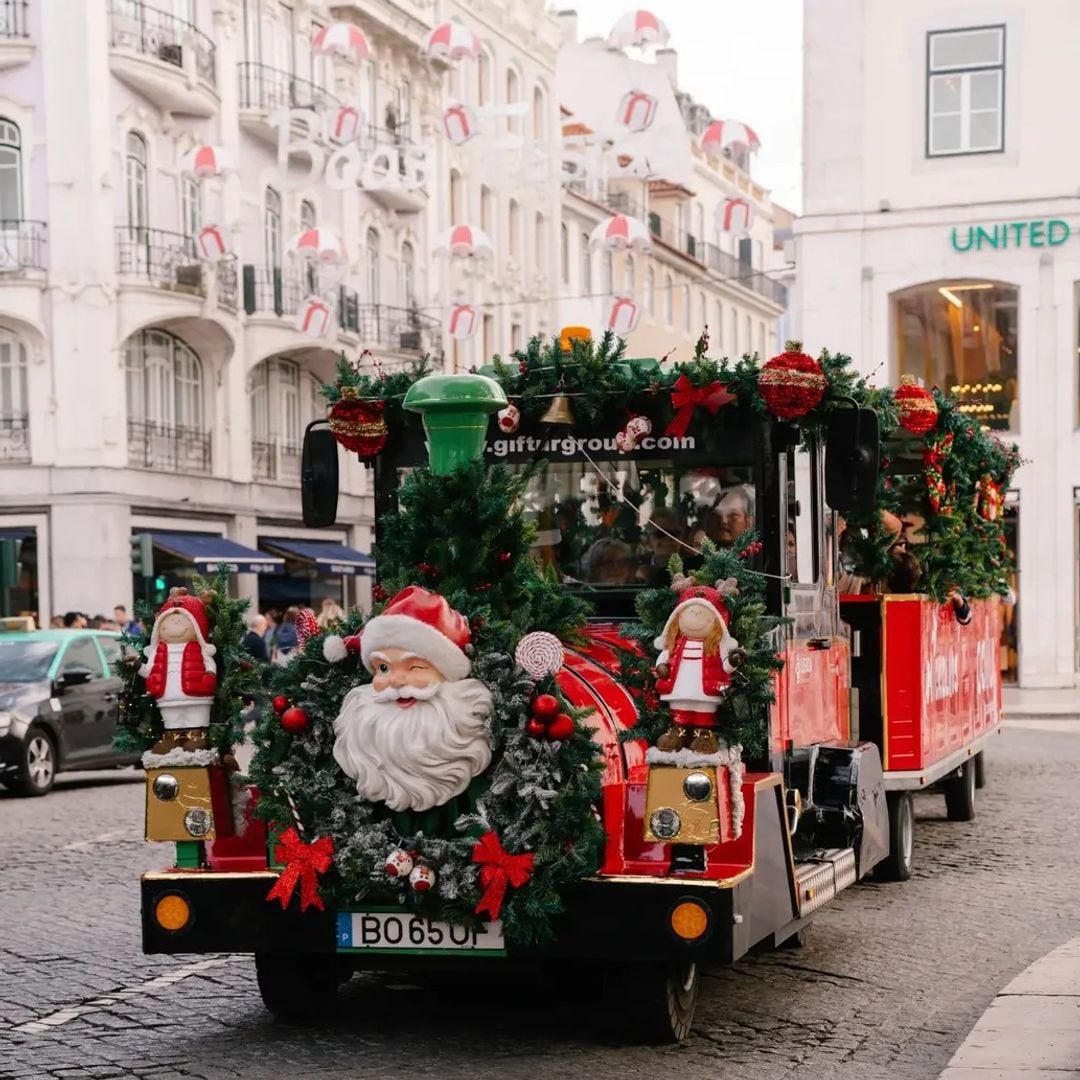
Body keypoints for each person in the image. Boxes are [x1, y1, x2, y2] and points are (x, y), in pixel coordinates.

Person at [639, 508, 685, 585]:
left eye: (675, 533)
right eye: (660, 533)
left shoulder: (694, 569)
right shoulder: (636, 571)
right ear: (648, 541)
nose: (668, 538)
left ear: (682, 538)